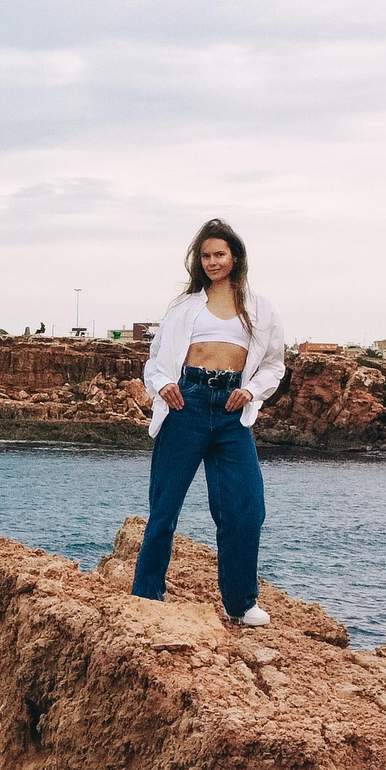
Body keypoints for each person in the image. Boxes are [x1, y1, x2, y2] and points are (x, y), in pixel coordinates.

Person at [130, 218, 287, 624]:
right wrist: (164, 384)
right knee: (165, 507)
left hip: (234, 409)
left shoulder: (261, 308)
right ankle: (146, 595)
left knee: (246, 507)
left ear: (235, 257)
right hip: (188, 404)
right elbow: (156, 361)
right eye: (206, 256)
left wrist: (251, 391)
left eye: (220, 254)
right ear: (198, 262)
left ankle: (241, 603)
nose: (213, 261)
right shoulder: (183, 307)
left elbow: (274, 366)